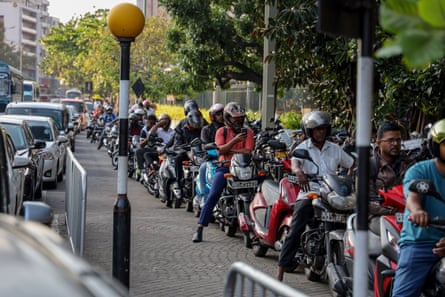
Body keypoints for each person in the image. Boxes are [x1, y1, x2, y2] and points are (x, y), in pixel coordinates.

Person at [276, 110, 354, 281]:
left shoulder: (335, 148)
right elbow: (295, 164)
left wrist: (349, 177)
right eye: (317, 129)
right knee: (295, 229)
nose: (321, 132)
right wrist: (299, 173)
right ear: (309, 131)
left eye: (324, 129)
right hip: (310, 193)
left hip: (332, 194)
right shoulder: (303, 148)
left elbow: (352, 163)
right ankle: (280, 271)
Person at [391, 119, 445, 297]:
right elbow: (413, 197)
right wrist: (417, 212)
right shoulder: (419, 171)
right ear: (435, 146)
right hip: (421, 243)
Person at [192, 102, 254, 243]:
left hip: (244, 168)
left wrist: (228, 149)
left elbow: (247, 151)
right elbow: (219, 150)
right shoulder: (222, 132)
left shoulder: (248, 132)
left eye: (240, 118)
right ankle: (200, 228)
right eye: (235, 118)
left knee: (259, 191)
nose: (238, 121)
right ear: (228, 118)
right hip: (225, 166)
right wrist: (234, 141)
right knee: (213, 194)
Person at [368, 121, 416, 232]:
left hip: (408, 215)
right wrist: (390, 210)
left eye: (398, 140)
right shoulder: (368, 166)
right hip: (379, 217)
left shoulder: (410, 164)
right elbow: (365, 201)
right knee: (390, 231)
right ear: (379, 143)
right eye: (390, 140)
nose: (395, 143)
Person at [169, 100, 206, 203]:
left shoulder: (204, 123)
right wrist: (187, 151)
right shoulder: (182, 125)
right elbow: (177, 143)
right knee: (178, 159)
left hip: (202, 153)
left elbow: (209, 136)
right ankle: (178, 183)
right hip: (187, 152)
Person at [198, 103, 225, 201]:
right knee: (203, 168)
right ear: (212, 116)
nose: (221, 116)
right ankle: (204, 196)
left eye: (223, 114)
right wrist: (213, 149)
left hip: (226, 158)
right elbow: (204, 145)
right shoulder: (206, 129)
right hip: (211, 158)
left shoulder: (228, 129)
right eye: (218, 114)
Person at [135, 114, 158, 181]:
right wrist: (147, 140)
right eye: (150, 122)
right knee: (138, 151)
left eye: (153, 123)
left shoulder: (159, 129)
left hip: (158, 149)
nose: (151, 125)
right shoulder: (144, 130)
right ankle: (141, 169)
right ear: (147, 121)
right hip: (148, 148)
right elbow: (142, 144)